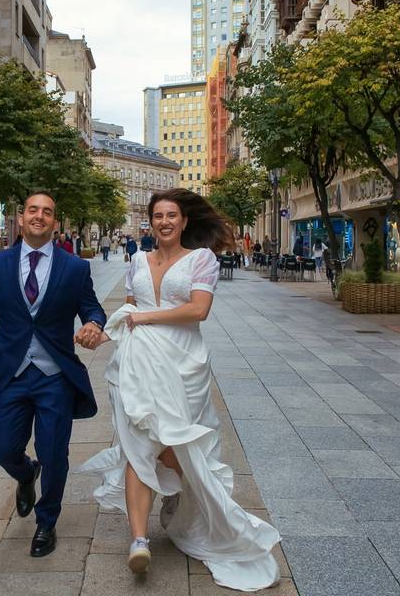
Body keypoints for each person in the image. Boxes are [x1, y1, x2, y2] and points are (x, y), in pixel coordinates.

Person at [78, 189, 281, 587]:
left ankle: (185, 498)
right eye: (158, 215)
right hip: (137, 364)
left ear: (184, 221)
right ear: (150, 222)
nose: (165, 221)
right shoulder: (136, 260)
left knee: (175, 448)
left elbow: (198, 310)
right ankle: (139, 540)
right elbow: (130, 311)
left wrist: (145, 319)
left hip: (183, 364)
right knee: (138, 445)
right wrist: (103, 334)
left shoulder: (201, 259)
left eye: (172, 215)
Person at [0, 191, 107, 559]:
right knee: (3, 449)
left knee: (54, 452)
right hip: (10, 374)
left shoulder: (74, 267)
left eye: (46, 212)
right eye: (33, 210)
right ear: (22, 216)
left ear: (54, 221)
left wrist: (94, 324)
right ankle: (26, 474)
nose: (39, 216)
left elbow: (93, 309)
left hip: (54, 376)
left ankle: (47, 521)